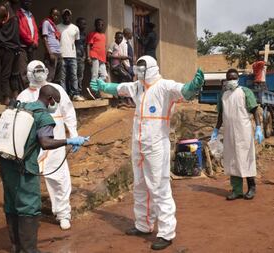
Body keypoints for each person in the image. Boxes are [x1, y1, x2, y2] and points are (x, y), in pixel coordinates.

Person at [90, 55, 204, 251]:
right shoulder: (137, 86)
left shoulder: (165, 86)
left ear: (151, 68)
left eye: (142, 68)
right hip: (138, 144)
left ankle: (166, 233)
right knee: (140, 186)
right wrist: (102, 85)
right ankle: (143, 225)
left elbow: (183, 91)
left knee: (159, 187)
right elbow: (118, 88)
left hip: (156, 145)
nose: (139, 71)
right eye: (138, 67)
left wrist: (193, 86)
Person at [0, 84, 89, 253]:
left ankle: (16, 247)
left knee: (11, 203)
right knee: (29, 207)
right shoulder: (43, 116)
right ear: (50, 99)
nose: (55, 106)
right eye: (56, 102)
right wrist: (69, 141)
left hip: (6, 164)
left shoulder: (22, 106)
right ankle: (29, 249)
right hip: (24, 168)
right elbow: (45, 142)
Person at [17, 60, 78, 231]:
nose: (39, 73)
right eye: (35, 71)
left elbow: (68, 111)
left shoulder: (56, 90)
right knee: (29, 180)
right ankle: (29, 215)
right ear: (29, 73)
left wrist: (73, 133)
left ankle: (63, 214)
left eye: (41, 69)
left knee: (60, 178)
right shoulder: (23, 96)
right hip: (32, 145)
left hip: (55, 140)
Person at [211, 68, 264, 201]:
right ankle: (237, 190)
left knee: (245, 158)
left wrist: (258, 127)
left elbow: (254, 110)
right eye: (229, 78)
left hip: (243, 132)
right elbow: (220, 115)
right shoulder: (223, 95)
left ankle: (251, 187)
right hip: (229, 133)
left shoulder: (245, 92)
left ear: (238, 79)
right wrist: (216, 130)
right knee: (232, 160)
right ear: (226, 79)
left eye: (234, 78)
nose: (232, 80)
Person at [0, 0, 22, 106]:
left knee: (15, 74)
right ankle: (6, 97)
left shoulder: (16, 10)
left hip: (16, 47)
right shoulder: (3, 8)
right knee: (6, 73)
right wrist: (4, 39)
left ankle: (16, 97)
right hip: (7, 47)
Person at [58, 9, 84, 101]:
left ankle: (75, 94)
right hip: (61, 56)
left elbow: (77, 43)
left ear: (71, 16)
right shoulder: (57, 27)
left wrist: (77, 53)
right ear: (62, 16)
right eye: (65, 15)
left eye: (68, 15)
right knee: (62, 77)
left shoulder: (75, 28)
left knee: (73, 76)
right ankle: (64, 96)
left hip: (72, 56)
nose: (66, 17)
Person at [107, 31, 133, 108]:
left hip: (119, 66)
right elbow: (109, 56)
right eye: (118, 37)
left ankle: (123, 101)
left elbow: (120, 56)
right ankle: (124, 100)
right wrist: (121, 57)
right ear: (115, 37)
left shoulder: (119, 46)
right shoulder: (113, 45)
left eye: (121, 38)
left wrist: (125, 58)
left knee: (122, 81)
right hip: (115, 66)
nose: (120, 39)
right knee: (128, 77)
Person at [17, 0, 39, 87]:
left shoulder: (31, 15)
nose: (28, 2)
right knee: (23, 70)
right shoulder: (18, 13)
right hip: (23, 46)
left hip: (32, 46)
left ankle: (32, 89)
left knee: (32, 69)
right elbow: (20, 30)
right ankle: (25, 91)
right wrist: (31, 41)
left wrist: (36, 41)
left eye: (30, 1)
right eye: (26, 1)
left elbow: (35, 30)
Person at [42, 8, 63, 84]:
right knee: (49, 76)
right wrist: (50, 53)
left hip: (58, 53)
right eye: (54, 15)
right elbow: (44, 39)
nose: (56, 17)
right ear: (50, 14)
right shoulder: (46, 23)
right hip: (52, 52)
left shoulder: (54, 26)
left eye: (57, 15)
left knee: (57, 78)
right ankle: (47, 95)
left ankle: (54, 95)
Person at [87, 18, 108, 90]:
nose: (100, 26)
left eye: (102, 25)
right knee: (94, 75)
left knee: (104, 76)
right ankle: (93, 91)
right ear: (95, 25)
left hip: (102, 58)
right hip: (94, 56)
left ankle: (96, 89)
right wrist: (88, 57)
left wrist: (106, 60)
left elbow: (104, 47)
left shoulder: (104, 35)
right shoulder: (92, 34)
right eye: (98, 24)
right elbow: (88, 45)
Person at [75, 17, 87, 97]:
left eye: (85, 24)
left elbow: (85, 46)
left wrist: (85, 56)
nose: (84, 25)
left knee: (80, 76)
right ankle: (73, 92)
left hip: (81, 57)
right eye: (83, 23)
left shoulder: (84, 35)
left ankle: (78, 92)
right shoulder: (74, 32)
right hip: (74, 56)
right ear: (78, 24)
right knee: (73, 75)